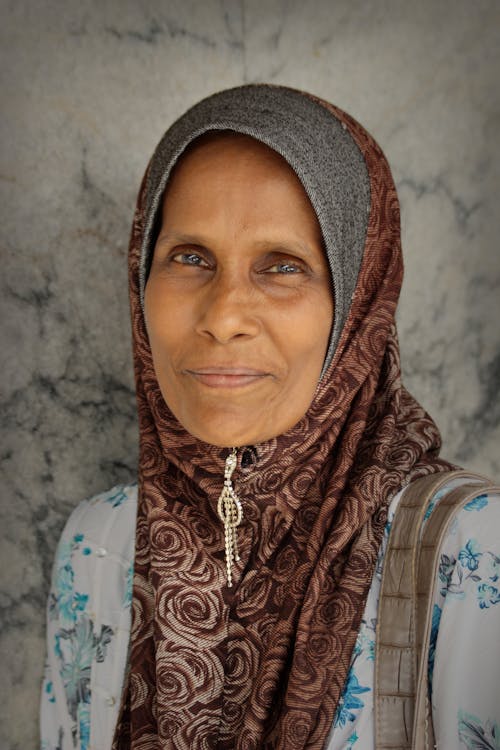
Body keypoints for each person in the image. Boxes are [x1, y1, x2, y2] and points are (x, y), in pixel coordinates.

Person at [40, 85, 500, 750]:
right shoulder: (98, 546)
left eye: (282, 267)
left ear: (358, 302)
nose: (224, 317)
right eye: (191, 257)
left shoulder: (472, 555)